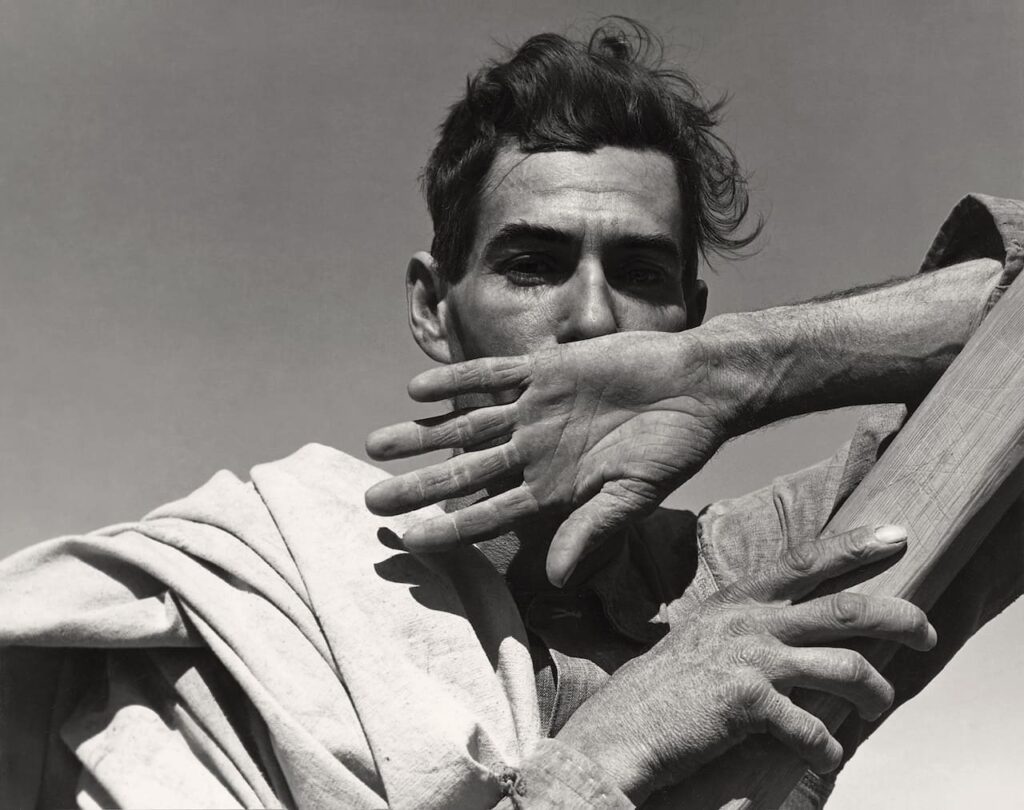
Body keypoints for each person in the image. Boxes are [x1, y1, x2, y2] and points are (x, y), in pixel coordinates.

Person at [1, 19, 1021, 810]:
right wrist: (612, 746)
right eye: (531, 267)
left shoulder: (771, 570)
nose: (589, 320)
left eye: (641, 274)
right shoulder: (251, 610)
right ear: (433, 310)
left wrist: (741, 368)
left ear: (690, 317)